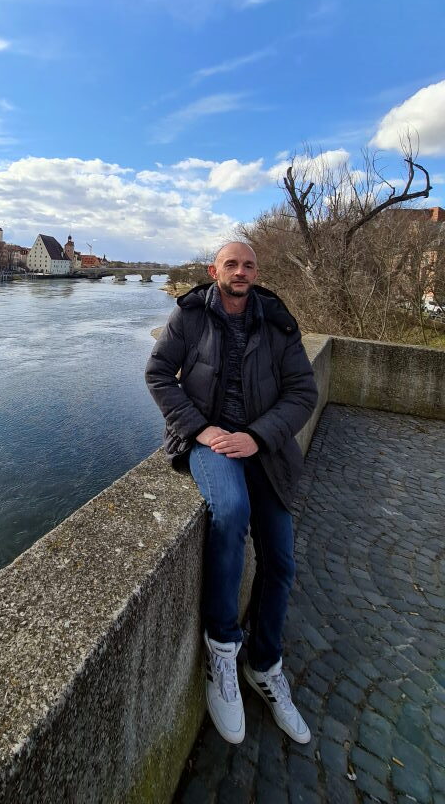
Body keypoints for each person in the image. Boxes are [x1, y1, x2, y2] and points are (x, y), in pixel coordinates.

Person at [145, 242, 317, 745]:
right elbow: (158, 373)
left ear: (256, 272)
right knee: (232, 510)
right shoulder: (190, 315)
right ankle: (222, 650)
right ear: (214, 270)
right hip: (210, 441)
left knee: (281, 560)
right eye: (231, 264)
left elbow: (302, 391)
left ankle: (264, 665)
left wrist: (257, 437)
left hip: (263, 447)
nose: (240, 272)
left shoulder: (277, 321)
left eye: (248, 265)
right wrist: (199, 429)